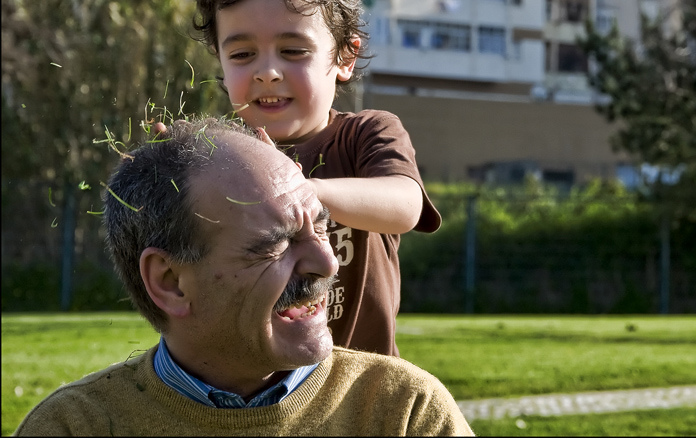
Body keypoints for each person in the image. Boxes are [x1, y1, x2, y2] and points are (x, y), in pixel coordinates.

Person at [14, 118, 472, 436]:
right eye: (276, 243)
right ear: (170, 281)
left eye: (322, 227)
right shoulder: (74, 428)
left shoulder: (403, 413)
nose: (327, 263)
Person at [190, 0, 440, 357]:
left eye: (292, 50)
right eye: (243, 54)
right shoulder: (219, 157)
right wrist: (168, 179)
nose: (267, 71)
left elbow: (405, 204)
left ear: (344, 57)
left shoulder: (367, 133)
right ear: (221, 63)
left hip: (362, 387)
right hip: (259, 389)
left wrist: (305, 192)